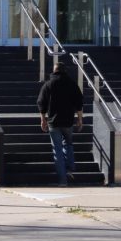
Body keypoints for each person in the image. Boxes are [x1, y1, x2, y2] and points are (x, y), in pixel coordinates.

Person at [37, 56, 84, 185]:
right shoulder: (72, 84)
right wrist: (80, 119)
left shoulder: (48, 85)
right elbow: (79, 102)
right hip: (68, 121)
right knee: (68, 144)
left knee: (57, 149)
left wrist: (43, 119)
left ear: (54, 71)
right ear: (65, 71)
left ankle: (63, 180)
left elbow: (41, 103)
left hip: (53, 121)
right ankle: (70, 167)